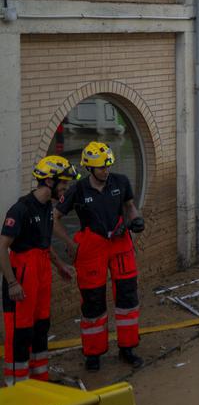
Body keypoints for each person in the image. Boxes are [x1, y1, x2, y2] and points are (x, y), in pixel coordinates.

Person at [54, 142, 145, 372]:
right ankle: (93, 353)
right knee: (93, 300)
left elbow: (130, 206)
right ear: (89, 168)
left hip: (120, 242)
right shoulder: (78, 190)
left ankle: (127, 348)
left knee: (127, 296)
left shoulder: (121, 182)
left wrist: (136, 219)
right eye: (101, 168)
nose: (106, 170)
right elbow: (53, 218)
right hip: (91, 248)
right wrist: (70, 243)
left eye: (108, 166)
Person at [2, 156, 78, 385]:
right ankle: (18, 385)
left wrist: (60, 265)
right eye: (63, 182)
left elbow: (43, 244)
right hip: (23, 273)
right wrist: (12, 283)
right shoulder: (20, 209)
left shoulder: (47, 208)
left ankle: (39, 379)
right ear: (49, 181)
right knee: (21, 330)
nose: (66, 187)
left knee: (41, 326)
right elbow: (2, 247)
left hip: (41, 270)